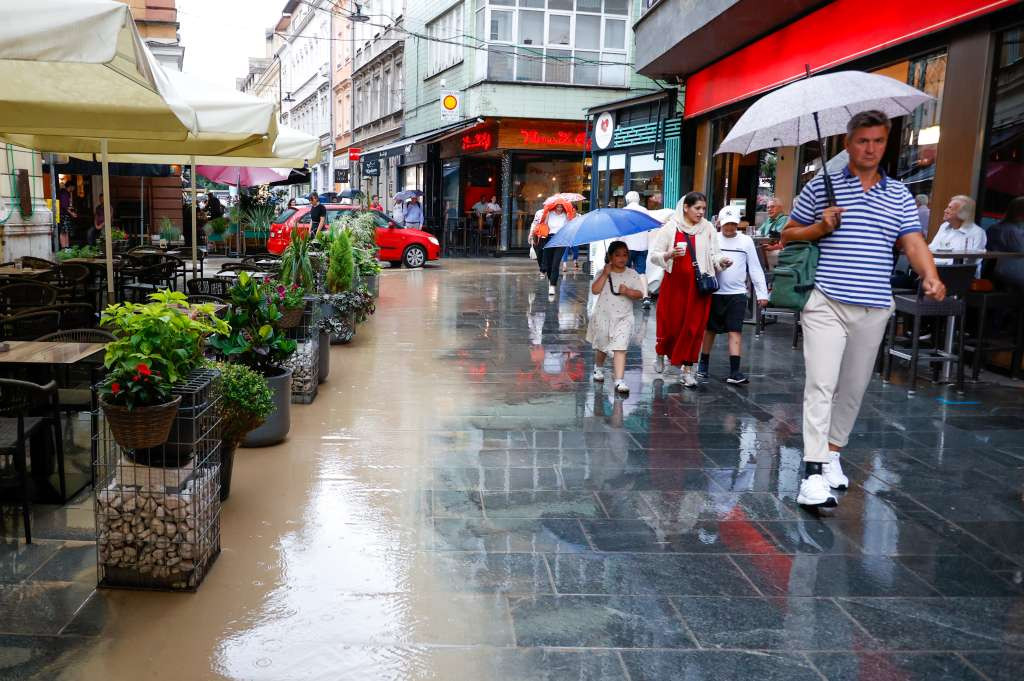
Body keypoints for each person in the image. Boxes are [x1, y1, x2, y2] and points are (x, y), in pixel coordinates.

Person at [783, 110, 944, 510]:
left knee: (853, 388)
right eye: (862, 140)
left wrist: (931, 275)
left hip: (873, 305)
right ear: (847, 143)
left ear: (885, 144)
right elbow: (786, 234)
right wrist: (820, 228)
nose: (870, 148)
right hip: (826, 301)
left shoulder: (899, 194)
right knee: (821, 384)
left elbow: (912, 241)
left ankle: (833, 452)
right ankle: (812, 472)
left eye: (878, 141)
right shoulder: (823, 187)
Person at [649, 192, 733, 387]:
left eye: (703, 208)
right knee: (670, 325)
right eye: (697, 208)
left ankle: (687, 370)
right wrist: (669, 254)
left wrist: (722, 262)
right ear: (686, 207)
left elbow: (715, 254)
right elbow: (654, 255)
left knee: (693, 328)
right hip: (674, 286)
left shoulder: (708, 228)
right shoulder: (671, 227)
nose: (701, 212)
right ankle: (661, 353)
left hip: (698, 288)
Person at [698, 205, 769, 385]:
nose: (729, 228)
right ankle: (703, 364)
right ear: (719, 223)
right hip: (715, 292)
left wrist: (762, 293)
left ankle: (735, 371)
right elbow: (705, 266)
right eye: (726, 224)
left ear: (738, 224)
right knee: (710, 330)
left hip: (737, 293)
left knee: (735, 331)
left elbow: (754, 267)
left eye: (733, 224)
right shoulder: (712, 239)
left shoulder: (746, 242)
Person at [587, 240, 645, 395]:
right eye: (617, 255)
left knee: (620, 347)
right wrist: (605, 274)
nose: (622, 258)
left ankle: (619, 380)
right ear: (610, 257)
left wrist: (628, 292)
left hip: (624, 317)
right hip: (603, 316)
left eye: (625, 255)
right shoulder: (603, 272)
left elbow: (640, 293)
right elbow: (595, 290)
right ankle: (598, 367)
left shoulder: (632, 274)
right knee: (602, 346)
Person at [929, 195, 986, 276]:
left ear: (963, 213)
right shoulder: (944, 226)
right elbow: (931, 249)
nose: (945, 210)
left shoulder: (977, 232)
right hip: (935, 272)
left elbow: (969, 261)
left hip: (959, 276)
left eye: (950, 208)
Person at [529, 200, 575, 298]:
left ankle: (552, 286)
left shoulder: (566, 216)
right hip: (549, 239)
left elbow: (569, 228)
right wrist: (533, 234)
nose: (559, 209)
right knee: (548, 263)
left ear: (564, 207)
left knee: (555, 264)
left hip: (561, 240)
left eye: (561, 207)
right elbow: (542, 225)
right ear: (554, 207)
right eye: (557, 207)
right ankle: (550, 279)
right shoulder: (549, 214)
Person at [57, 181, 77, 248]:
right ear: (70, 186)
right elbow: (64, 206)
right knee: (63, 232)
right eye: (73, 187)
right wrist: (72, 213)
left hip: (65, 214)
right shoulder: (64, 193)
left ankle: (67, 247)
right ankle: (64, 248)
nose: (74, 189)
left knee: (66, 231)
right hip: (63, 215)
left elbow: (66, 205)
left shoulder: (67, 193)